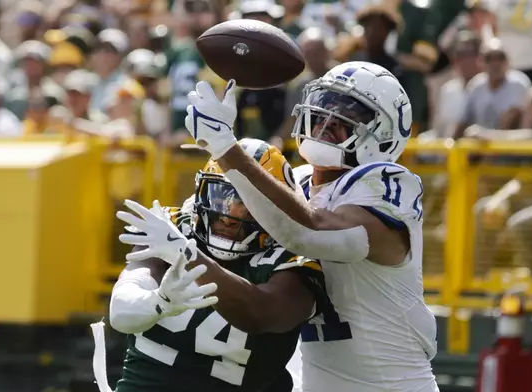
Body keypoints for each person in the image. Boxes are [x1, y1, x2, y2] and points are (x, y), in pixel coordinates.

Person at [181, 62, 439, 391]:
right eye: (324, 108)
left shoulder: (384, 184)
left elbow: (308, 231)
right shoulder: (293, 181)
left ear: (385, 138)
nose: (328, 121)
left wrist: (227, 148)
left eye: (350, 115)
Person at [92, 139, 328, 392]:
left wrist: (190, 256)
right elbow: (121, 313)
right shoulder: (173, 228)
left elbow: (260, 314)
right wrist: (160, 302)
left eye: (248, 204)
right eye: (221, 198)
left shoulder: (293, 259)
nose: (229, 216)